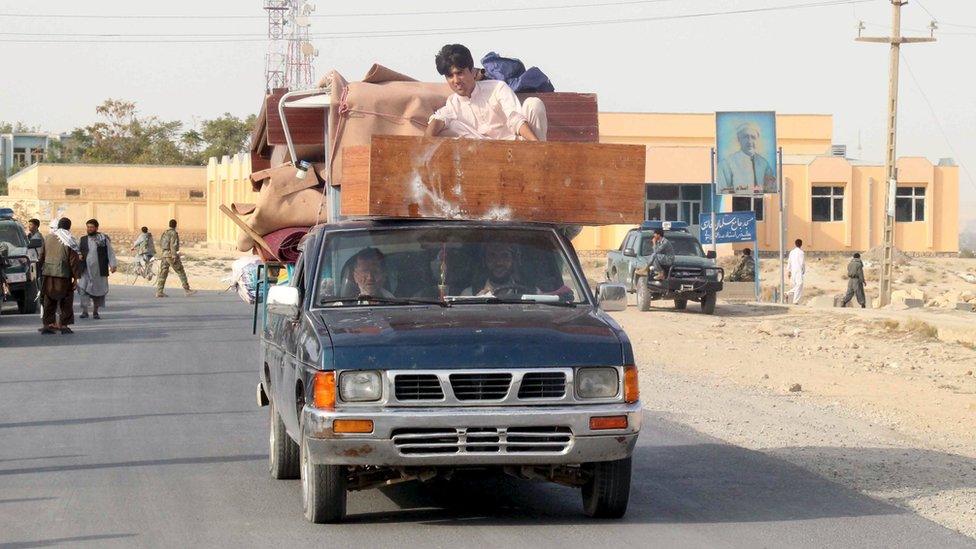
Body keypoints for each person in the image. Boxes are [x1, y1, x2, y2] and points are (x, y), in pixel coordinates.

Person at [425, 44, 548, 142]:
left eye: (460, 73)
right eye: (450, 76)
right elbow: (438, 118)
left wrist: (536, 146)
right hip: (486, 155)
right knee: (447, 128)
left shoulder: (497, 88)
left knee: (533, 104)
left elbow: (515, 119)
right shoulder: (453, 103)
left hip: (519, 146)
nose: (456, 80)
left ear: (473, 71)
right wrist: (420, 148)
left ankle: (540, 156)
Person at [38, 217, 81, 334]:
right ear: (69, 226)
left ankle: (48, 324)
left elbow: (41, 256)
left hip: (48, 274)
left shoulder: (48, 238)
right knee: (65, 300)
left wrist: (39, 271)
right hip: (63, 275)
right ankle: (63, 325)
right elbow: (73, 260)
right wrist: (76, 278)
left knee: (49, 299)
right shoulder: (69, 239)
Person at [717, 121, 777, 194]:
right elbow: (723, 190)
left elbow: (770, 189)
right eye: (746, 137)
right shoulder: (727, 163)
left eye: (753, 137)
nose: (750, 141)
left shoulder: (764, 163)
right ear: (739, 139)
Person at [77, 219, 118, 319]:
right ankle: (85, 311)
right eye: (88, 227)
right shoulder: (82, 239)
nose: (89, 229)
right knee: (83, 289)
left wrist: (113, 264)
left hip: (99, 270)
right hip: (85, 270)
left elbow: (110, 252)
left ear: (96, 228)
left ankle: (95, 311)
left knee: (98, 291)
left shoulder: (103, 239)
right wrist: (79, 255)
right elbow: (77, 251)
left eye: (91, 227)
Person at [462, 242, 533, 296]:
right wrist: (477, 303)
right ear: (484, 261)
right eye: (492, 256)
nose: (499, 263)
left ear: (513, 260)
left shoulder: (532, 293)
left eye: (505, 256)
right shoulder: (469, 294)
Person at [156, 219, 196, 298]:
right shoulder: (173, 233)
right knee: (180, 271)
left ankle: (159, 291)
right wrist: (174, 255)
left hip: (164, 254)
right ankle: (187, 289)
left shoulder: (165, 233)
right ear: (175, 225)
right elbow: (173, 245)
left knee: (163, 273)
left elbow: (161, 243)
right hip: (171, 255)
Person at [785, 238, 806, 304]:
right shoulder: (801, 252)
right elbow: (802, 263)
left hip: (793, 271)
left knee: (797, 285)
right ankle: (794, 300)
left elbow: (789, 261)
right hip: (798, 271)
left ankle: (789, 295)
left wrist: (789, 271)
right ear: (801, 244)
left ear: (795, 244)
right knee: (799, 285)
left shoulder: (792, 252)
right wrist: (803, 270)